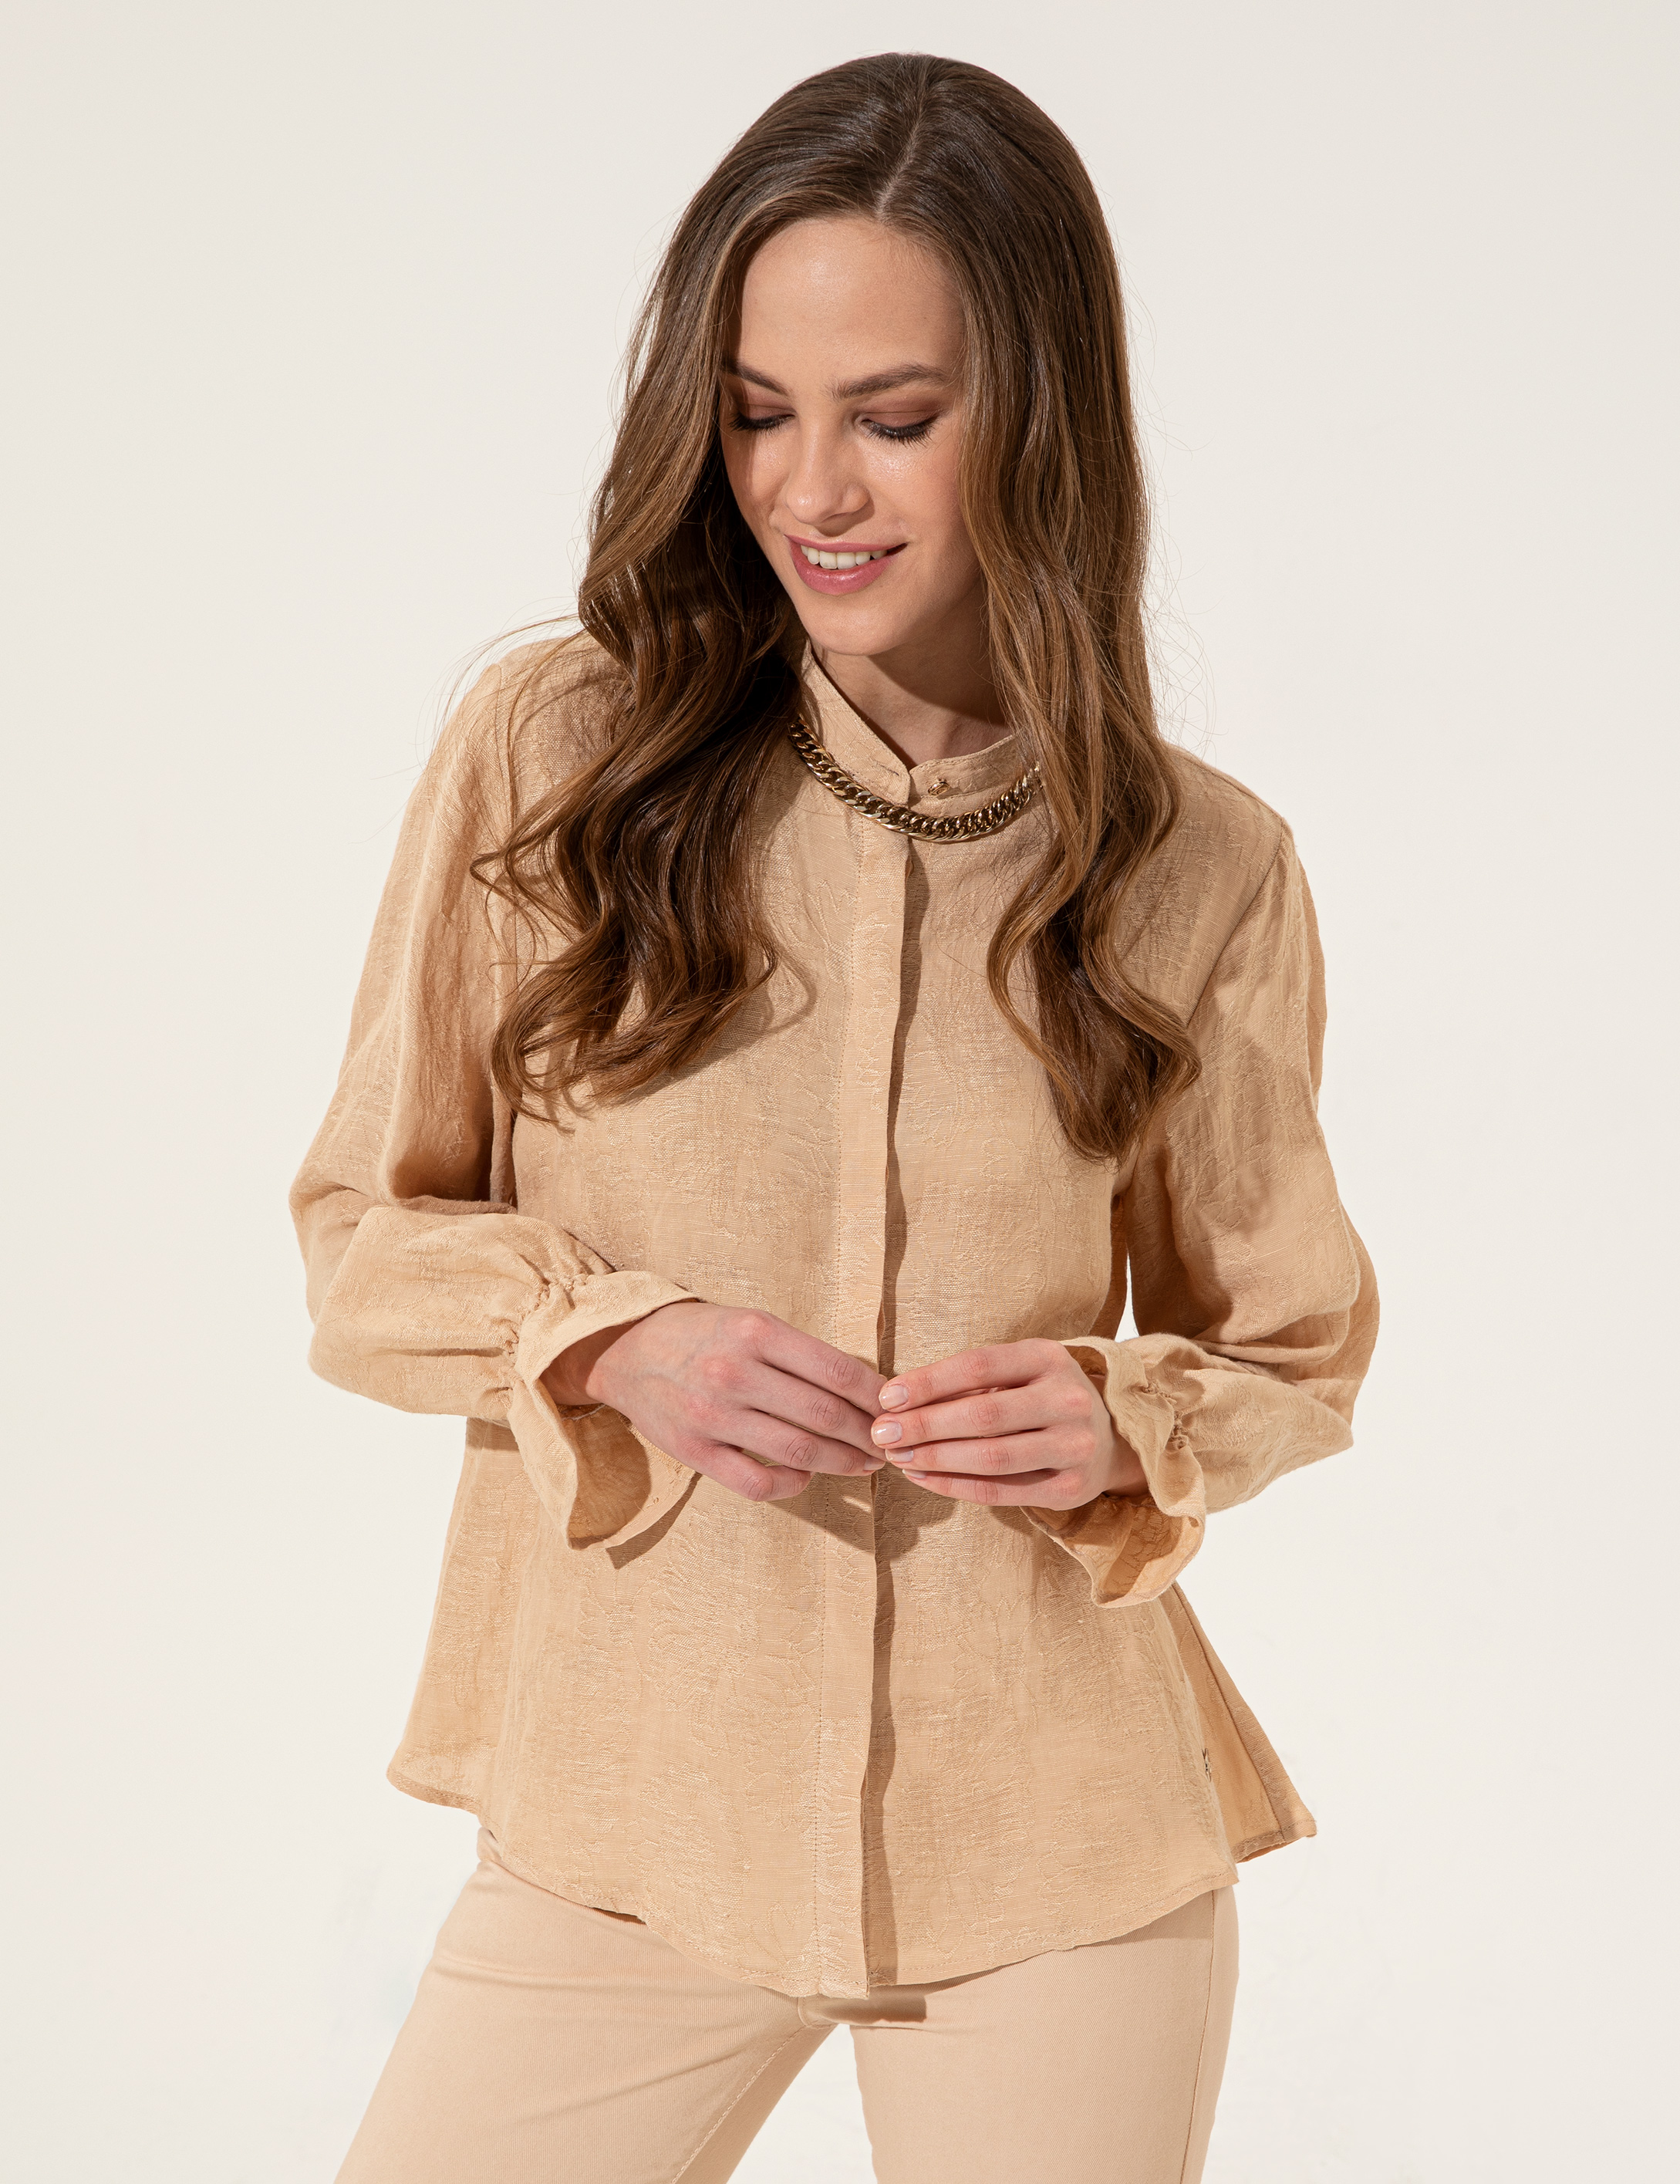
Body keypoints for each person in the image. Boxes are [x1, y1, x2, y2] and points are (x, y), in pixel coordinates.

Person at [291, 50, 1378, 2184]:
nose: (815, 490)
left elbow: (1290, 1349)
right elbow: (359, 1246)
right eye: (757, 412)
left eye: (894, 415)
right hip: (624, 1829)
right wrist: (609, 1339)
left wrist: (1117, 1419)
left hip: (1052, 1855)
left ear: (1037, 419)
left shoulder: (1201, 867)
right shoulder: (554, 759)